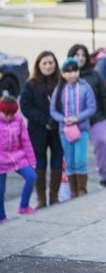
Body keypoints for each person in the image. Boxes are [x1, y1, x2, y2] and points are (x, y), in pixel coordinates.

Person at [20, 51, 63, 209]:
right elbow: (26, 107)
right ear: (38, 65)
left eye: (51, 63)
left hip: (58, 128)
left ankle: (54, 197)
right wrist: (44, 121)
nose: (48, 66)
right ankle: (41, 199)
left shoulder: (61, 81)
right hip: (38, 130)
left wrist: (55, 121)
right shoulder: (30, 84)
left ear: (55, 64)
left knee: (57, 160)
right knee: (40, 162)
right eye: (44, 63)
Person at [68, 44, 106, 188]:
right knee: (74, 154)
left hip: (96, 119)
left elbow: (104, 97)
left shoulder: (95, 75)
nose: (80, 58)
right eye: (77, 55)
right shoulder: (65, 75)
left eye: (83, 55)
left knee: (101, 142)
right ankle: (73, 185)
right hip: (73, 122)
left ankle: (104, 177)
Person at [50, 58, 96, 197]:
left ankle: (82, 190)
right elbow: (53, 111)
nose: (72, 74)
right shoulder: (59, 89)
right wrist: (64, 119)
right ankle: (74, 192)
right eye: (68, 72)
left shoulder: (85, 87)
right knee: (69, 161)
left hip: (81, 128)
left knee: (80, 160)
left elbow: (91, 107)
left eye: (75, 71)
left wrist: (77, 118)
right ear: (63, 74)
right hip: (65, 130)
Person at [0, 96, 37, 223]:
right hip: (1, 159)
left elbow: (26, 141)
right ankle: (1, 217)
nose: (9, 117)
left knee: (31, 176)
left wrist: (32, 161)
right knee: (0, 189)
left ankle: (24, 206)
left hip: (17, 156)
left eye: (11, 114)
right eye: (5, 114)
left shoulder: (19, 121)